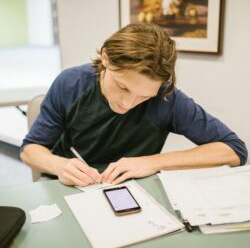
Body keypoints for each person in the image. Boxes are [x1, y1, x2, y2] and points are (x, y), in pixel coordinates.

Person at [20, 23, 248, 187]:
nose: (128, 104)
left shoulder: (166, 97)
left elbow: (234, 150)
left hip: (134, 192)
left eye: (144, 96)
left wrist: (154, 162)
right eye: (123, 87)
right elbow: (30, 150)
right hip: (69, 187)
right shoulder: (70, 84)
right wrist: (60, 166)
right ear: (106, 58)